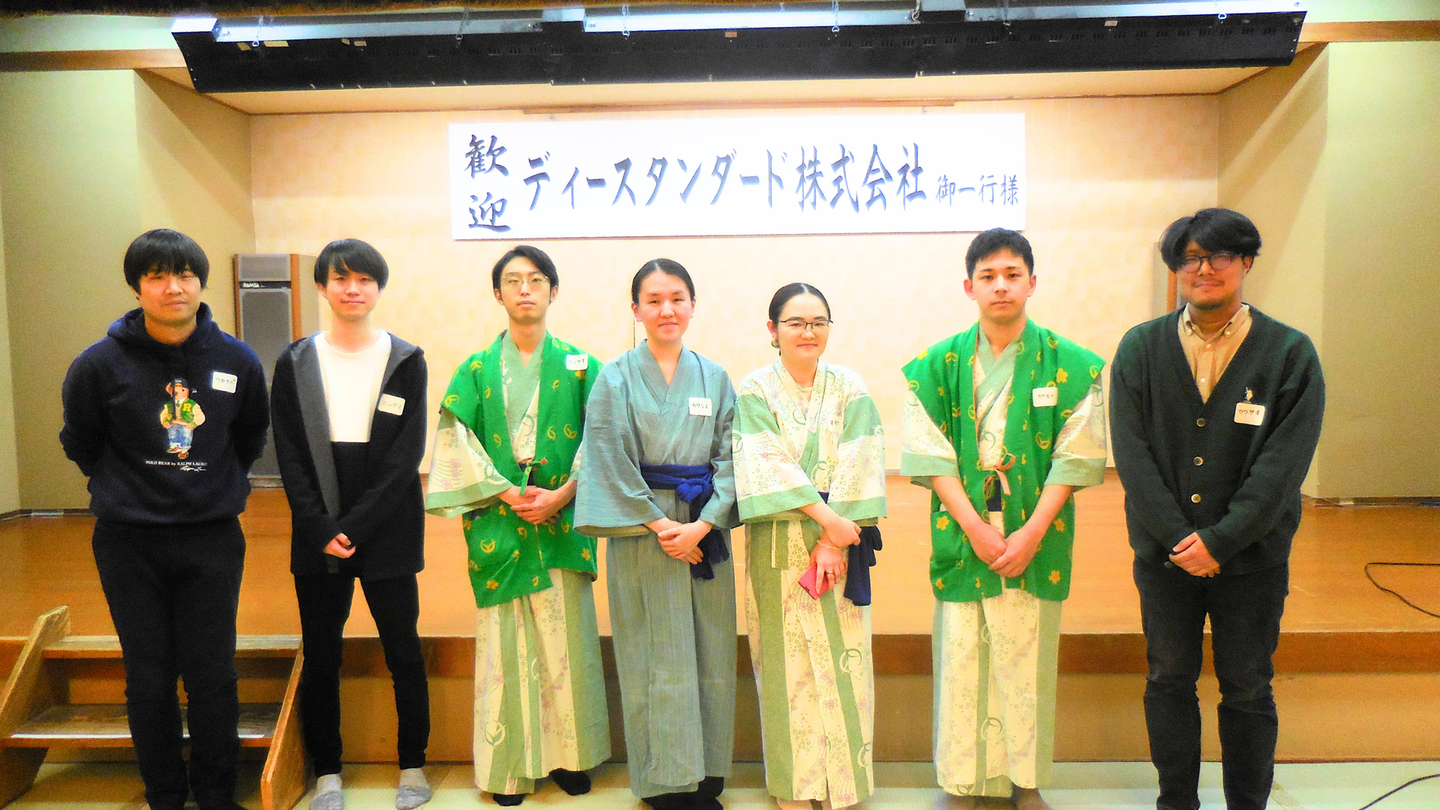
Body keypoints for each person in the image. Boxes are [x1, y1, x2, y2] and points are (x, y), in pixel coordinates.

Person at [1109, 208, 1324, 810]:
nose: (1204, 269)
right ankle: (1176, 801)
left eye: (1219, 256)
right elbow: (1132, 455)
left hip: (1252, 560)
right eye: (1190, 259)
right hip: (1166, 558)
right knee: (1168, 679)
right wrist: (1182, 539)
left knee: (1248, 688)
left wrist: (1221, 541)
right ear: (1176, 269)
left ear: (1246, 262)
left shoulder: (1289, 353)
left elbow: (1283, 467)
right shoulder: (1141, 348)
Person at [59, 229, 269, 810]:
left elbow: (250, 435)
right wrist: (124, 485)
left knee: (212, 674)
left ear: (201, 283)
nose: (173, 287)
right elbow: (80, 440)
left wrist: (211, 484)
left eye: (184, 275)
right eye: (157, 276)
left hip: (212, 537)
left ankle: (216, 794)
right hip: (128, 542)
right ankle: (165, 796)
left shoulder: (237, 360)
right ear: (137, 287)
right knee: (148, 677)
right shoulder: (98, 364)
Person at [900, 228, 1108, 810]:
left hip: (1035, 527)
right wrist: (974, 526)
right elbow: (930, 455)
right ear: (969, 287)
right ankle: (962, 781)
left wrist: (1033, 531)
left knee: (1026, 655)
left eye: (1012, 275)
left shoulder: (1072, 364)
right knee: (962, 655)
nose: (1000, 286)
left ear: (1032, 283)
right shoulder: (935, 365)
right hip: (964, 526)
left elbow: (1076, 455)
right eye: (987, 276)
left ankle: (1026, 780)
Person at [425, 245, 609, 806]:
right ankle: (507, 767)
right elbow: (456, 440)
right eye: (513, 280)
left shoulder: (583, 366)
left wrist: (564, 494)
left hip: (561, 519)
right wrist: (505, 491)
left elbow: (604, 438)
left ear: (554, 291)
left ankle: (570, 759)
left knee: (566, 643)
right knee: (505, 649)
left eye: (536, 280)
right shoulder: (476, 369)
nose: (525, 289)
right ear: (498, 293)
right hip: (500, 521)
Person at [269, 239, 431, 810]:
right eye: (341, 279)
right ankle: (328, 774)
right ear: (322, 287)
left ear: (378, 288)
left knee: (403, 651)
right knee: (322, 655)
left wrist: (356, 527)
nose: (353, 289)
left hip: (388, 525)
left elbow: (405, 456)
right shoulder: (294, 361)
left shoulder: (405, 359)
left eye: (364, 279)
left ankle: (413, 766)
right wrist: (321, 528)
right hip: (318, 528)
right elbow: (289, 454)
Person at [575, 259, 738, 810]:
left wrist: (703, 524)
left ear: (693, 305)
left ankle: (708, 768)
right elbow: (606, 456)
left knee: (710, 647)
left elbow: (733, 457)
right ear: (636, 309)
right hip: (644, 533)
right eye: (653, 300)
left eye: (677, 298)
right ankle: (665, 779)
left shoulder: (715, 378)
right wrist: (664, 525)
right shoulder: (615, 377)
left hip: (703, 527)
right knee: (651, 652)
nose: (666, 309)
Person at [732, 283, 887, 810]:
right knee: (784, 668)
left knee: (846, 661)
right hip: (779, 545)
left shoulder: (850, 387)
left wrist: (833, 538)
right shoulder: (755, 389)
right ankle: (796, 787)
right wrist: (828, 521)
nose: (808, 332)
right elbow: (764, 461)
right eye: (795, 323)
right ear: (772, 330)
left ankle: (844, 784)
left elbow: (862, 456)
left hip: (841, 543)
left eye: (818, 322)